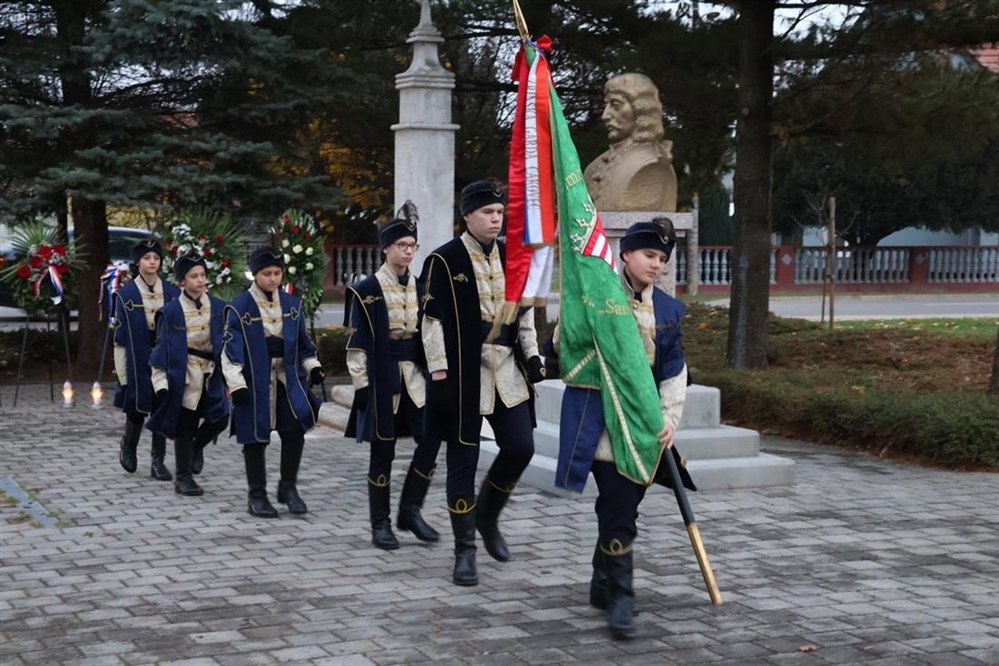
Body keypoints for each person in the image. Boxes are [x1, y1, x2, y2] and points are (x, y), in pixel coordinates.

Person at [552, 217, 696, 639]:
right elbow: (565, 346)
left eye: (663, 258)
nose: (657, 264)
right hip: (600, 422)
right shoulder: (595, 298)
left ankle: (601, 579)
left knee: (625, 507)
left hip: (644, 427)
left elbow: (674, 371)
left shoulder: (668, 311)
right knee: (617, 508)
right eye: (649, 255)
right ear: (626, 254)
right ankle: (621, 596)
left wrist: (668, 421)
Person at [420, 179, 547, 586]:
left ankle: (488, 514)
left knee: (521, 446)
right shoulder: (444, 260)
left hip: (507, 371)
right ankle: (465, 551)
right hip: (462, 376)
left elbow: (524, 315)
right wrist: (439, 373)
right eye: (488, 213)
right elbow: (432, 322)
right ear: (467, 216)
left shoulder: (514, 258)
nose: (496, 219)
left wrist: (533, 355)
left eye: (499, 213)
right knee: (462, 460)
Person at [344, 216, 442, 549]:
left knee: (430, 439)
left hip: (415, 375)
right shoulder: (366, 290)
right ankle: (380, 523)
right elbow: (356, 343)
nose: (409, 251)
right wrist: (361, 385)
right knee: (382, 450)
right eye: (402, 245)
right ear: (386, 248)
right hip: (383, 376)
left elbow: (430, 332)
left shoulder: (422, 286)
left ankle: (410, 509)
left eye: (412, 245)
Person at [222, 247, 324, 518]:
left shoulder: (292, 305)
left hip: (287, 379)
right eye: (266, 273)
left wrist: (312, 368)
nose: (273, 279)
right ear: (255, 274)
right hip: (254, 382)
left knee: (295, 429)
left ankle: (288, 488)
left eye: (277, 273)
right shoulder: (240, 307)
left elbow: (304, 345)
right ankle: (256, 495)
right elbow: (230, 349)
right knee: (255, 436)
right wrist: (236, 384)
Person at [146, 252, 230, 497]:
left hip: (212, 373)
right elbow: (160, 350)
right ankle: (183, 478)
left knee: (221, 417)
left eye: (203, 275)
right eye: (194, 276)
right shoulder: (170, 312)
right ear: (182, 281)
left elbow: (228, 343)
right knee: (186, 424)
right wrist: (160, 384)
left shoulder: (218, 307)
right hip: (184, 374)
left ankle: (196, 447)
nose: (200, 280)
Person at [112, 239, 180, 481]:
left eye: (156, 258)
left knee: (162, 405)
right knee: (137, 408)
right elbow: (119, 337)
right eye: (147, 258)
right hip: (137, 357)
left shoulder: (173, 292)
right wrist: (122, 373)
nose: (152, 262)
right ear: (138, 262)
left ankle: (157, 460)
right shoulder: (126, 295)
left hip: (165, 357)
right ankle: (128, 445)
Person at [583, 73, 678, 213]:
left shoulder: (654, 163)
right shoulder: (594, 167)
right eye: (606, 105)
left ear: (641, 109)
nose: (605, 116)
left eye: (616, 105)